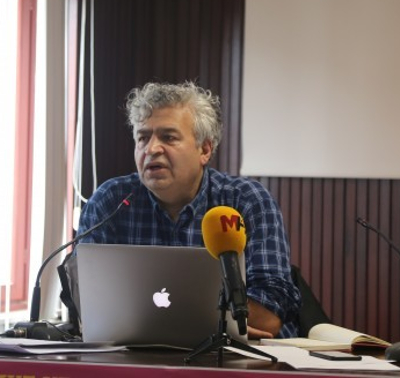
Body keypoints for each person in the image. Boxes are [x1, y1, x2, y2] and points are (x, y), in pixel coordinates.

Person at [75, 82, 302, 339]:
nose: (151, 149)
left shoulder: (246, 200)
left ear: (204, 149)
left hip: (239, 354)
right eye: (143, 137)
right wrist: (211, 319)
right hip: (139, 351)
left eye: (168, 137)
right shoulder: (111, 201)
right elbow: (83, 299)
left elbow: (270, 314)